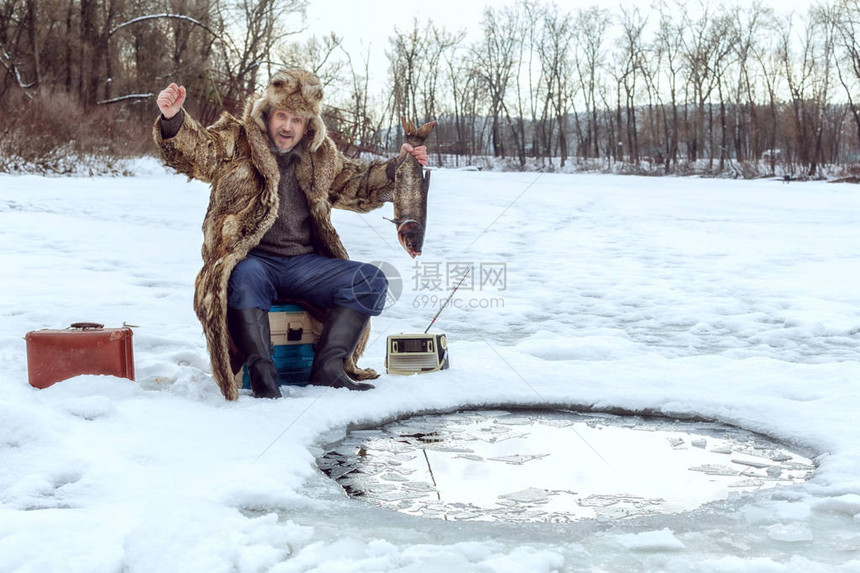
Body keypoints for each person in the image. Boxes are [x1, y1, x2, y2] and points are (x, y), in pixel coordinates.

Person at [153, 68, 428, 400]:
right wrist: (173, 119)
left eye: (296, 120)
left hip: (304, 266)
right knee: (243, 276)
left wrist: (397, 167)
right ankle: (262, 374)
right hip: (252, 262)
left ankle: (329, 369)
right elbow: (199, 151)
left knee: (371, 280)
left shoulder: (320, 156)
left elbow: (356, 182)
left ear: (307, 125)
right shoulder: (237, 141)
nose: (287, 126)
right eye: (281, 115)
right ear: (268, 113)